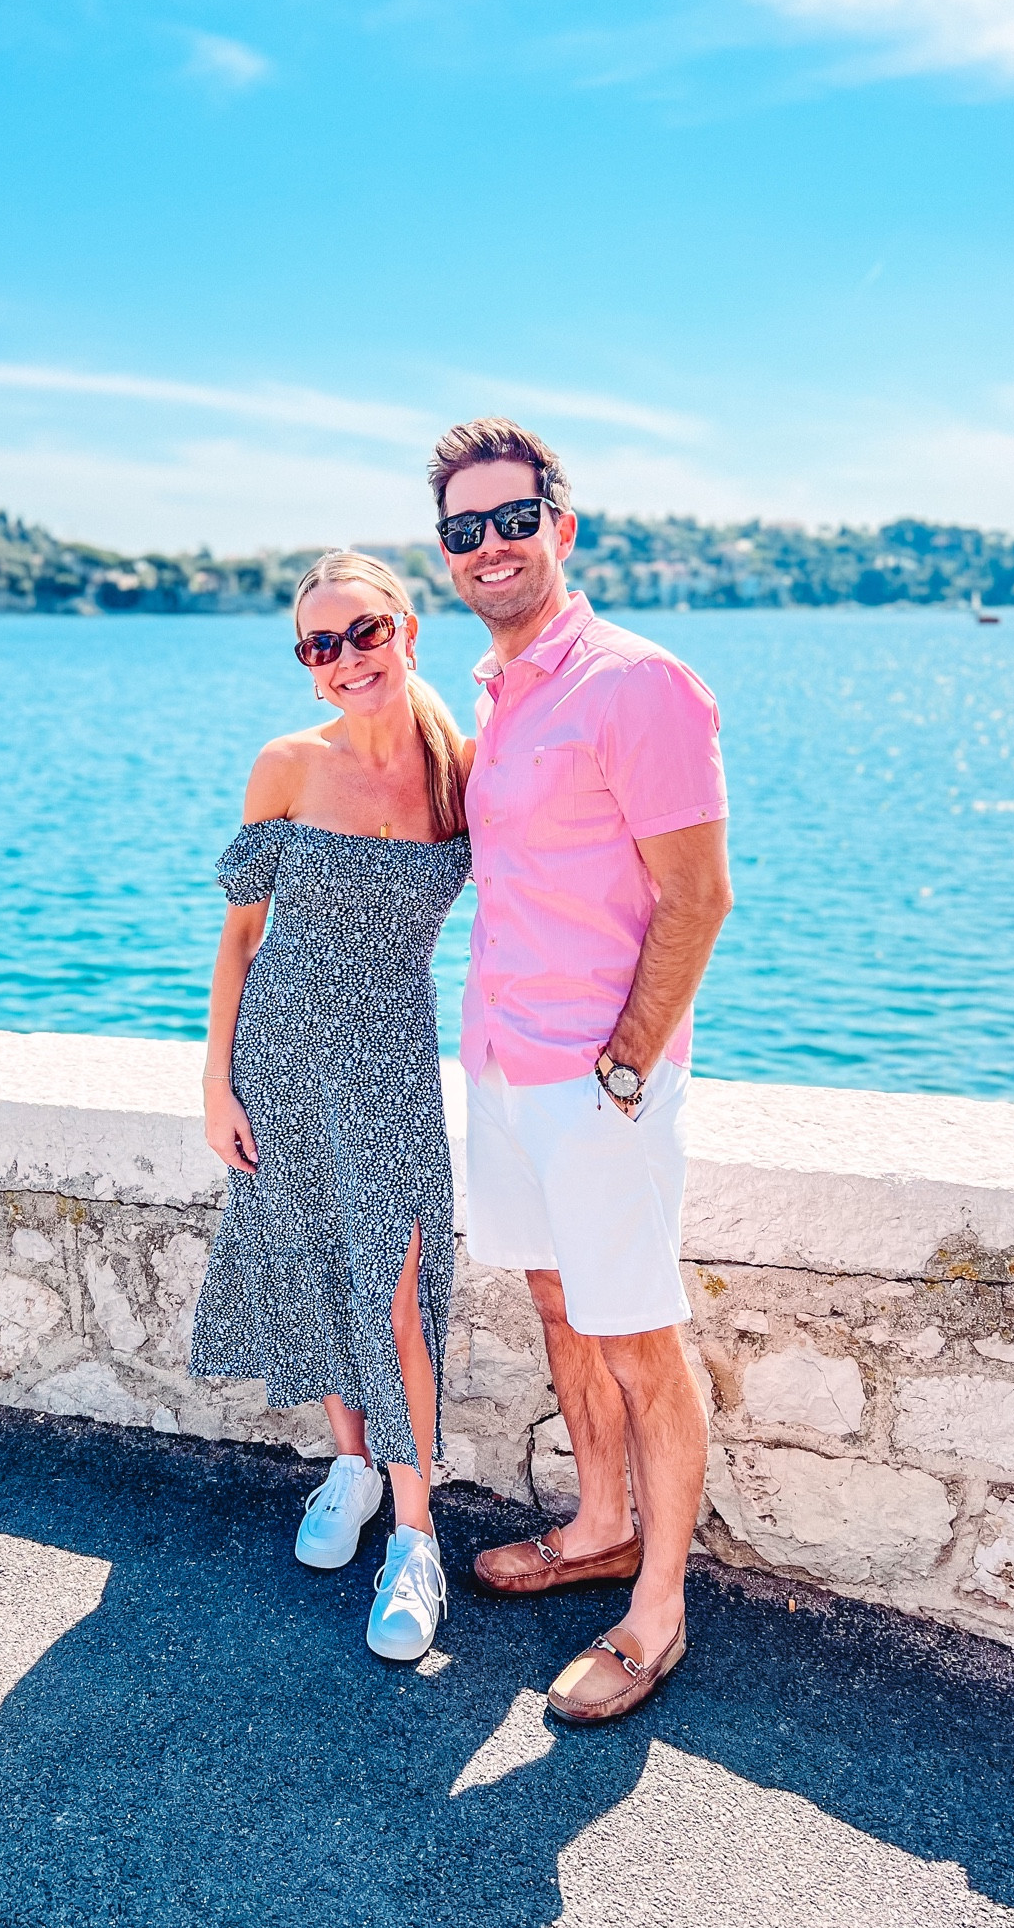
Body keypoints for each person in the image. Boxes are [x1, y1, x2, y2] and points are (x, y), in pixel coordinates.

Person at [432, 417, 733, 1725]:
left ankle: (655, 1609)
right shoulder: (500, 693)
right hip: (501, 1063)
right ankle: (600, 1521)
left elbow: (700, 897)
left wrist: (622, 1071)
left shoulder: (636, 683)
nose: (491, 545)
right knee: (558, 1299)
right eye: (463, 530)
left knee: (637, 1335)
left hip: (598, 1082)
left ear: (563, 520)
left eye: (513, 518)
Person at [189, 550, 472, 1663]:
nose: (347, 656)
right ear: (307, 665)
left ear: (408, 629)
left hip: (394, 1062)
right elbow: (242, 935)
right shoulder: (285, 766)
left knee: (394, 1288)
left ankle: (417, 1538)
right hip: (284, 1054)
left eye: (364, 632)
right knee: (315, 1261)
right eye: (322, 643)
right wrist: (216, 1079)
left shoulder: (462, 771)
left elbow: (556, 883)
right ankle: (352, 1469)